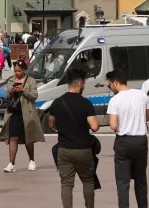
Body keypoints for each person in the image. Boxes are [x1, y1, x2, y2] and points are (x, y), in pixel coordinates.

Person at [47, 69, 100, 208]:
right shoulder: (86, 103)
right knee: (88, 181)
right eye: (84, 84)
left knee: (66, 184)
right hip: (83, 149)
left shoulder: (57, 102)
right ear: (80, 83)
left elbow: (51, 123)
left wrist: (62, 128)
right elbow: (94, 127)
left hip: (64, 149)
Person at [107, 69, 149, 208]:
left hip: (123, 143)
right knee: (140, 181)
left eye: (110, 85)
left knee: (123, 182)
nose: (111, 88)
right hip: (140, 141)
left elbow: (113, 125)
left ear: (115, 82)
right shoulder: (142, 95)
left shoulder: (115, 100)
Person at [0, 58, 45, 172]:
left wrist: (23, 90)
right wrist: (11, 91)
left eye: (19, 71)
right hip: (14, 112)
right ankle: (11, 163)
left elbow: (34, 96)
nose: (17, 73)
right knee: (13, 137)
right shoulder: (11, 80)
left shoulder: (31, 81)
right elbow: (7, 97)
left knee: (28, 138)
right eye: (15, 71)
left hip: (27, 113)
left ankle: (32, 161)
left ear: (24, 69)